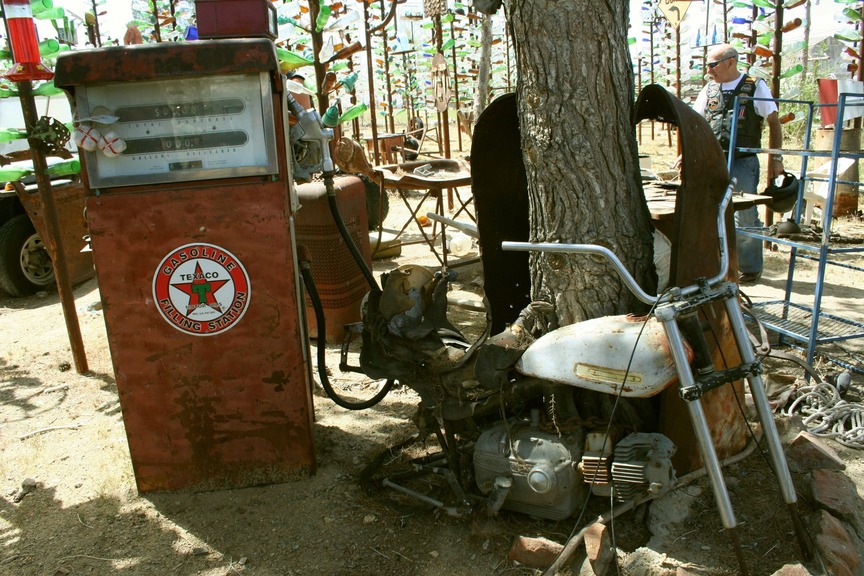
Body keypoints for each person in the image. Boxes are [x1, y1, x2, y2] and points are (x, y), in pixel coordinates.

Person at [693, 44, 784, 284]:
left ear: (730, 62)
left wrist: (776, 157)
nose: (709, 70)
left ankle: (750, 267)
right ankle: (718, 266)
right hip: (713, 162)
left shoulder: (755, 86)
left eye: (712, 65)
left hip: (743, 162)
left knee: (745, 214)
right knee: (711, 213)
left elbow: (773, 121)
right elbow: (696, 123)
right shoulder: (709, 89)